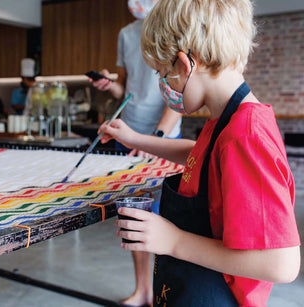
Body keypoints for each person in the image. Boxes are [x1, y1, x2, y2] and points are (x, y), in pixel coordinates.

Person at [99, 0, 301, 305]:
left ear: (183, 65)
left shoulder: (244, 135)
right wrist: (137, 139)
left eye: (161, 73)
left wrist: (174, 241)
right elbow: (200, 155)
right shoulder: (225, 121)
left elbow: (281, 264)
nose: (162, 84)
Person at [91, 1, 181, 305]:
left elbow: (178, 97)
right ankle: (142, 289)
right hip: (129, 134)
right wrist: (109, 85)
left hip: (161, 136)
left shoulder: (175, 26)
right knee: (135, 214)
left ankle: (161, 292)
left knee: (164, 217)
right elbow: (126, 88)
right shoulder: (126, 34)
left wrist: (154, 138)